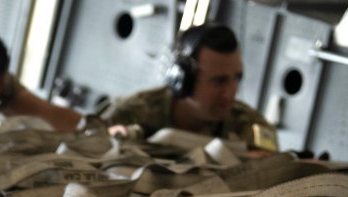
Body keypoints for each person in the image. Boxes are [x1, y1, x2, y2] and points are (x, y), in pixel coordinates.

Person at [98, 23, 278, 150]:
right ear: (182, 80)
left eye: (236, 78)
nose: (230, 93)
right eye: (219, 81)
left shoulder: (248, 125)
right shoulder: (129, 114)